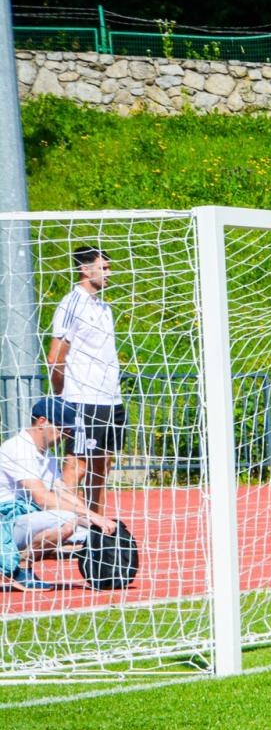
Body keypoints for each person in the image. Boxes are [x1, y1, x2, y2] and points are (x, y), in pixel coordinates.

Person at [0, 397, 117, 591]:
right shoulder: (18, 448)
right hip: (6, 521)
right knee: (67, 522)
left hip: (25, 520)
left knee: (88, 533)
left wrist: (96, 520)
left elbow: (62, 492)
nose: (67, 434)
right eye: (63, 428)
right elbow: (42, 497)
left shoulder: (47, 455)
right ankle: (19, 567)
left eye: (69, 430)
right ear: (42, 421)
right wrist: (90, 515)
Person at [46, 247, 125, 515]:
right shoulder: (72, 303)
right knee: (76, 464)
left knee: (103, 462)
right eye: (103, 268)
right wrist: (62, 394)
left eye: (108, 267)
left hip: (110, 397)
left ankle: (95, 525)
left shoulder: (104, 307)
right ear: (84, 269)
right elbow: (56, 356)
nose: (108, 273)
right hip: (83, 397)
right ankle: (62, 524)